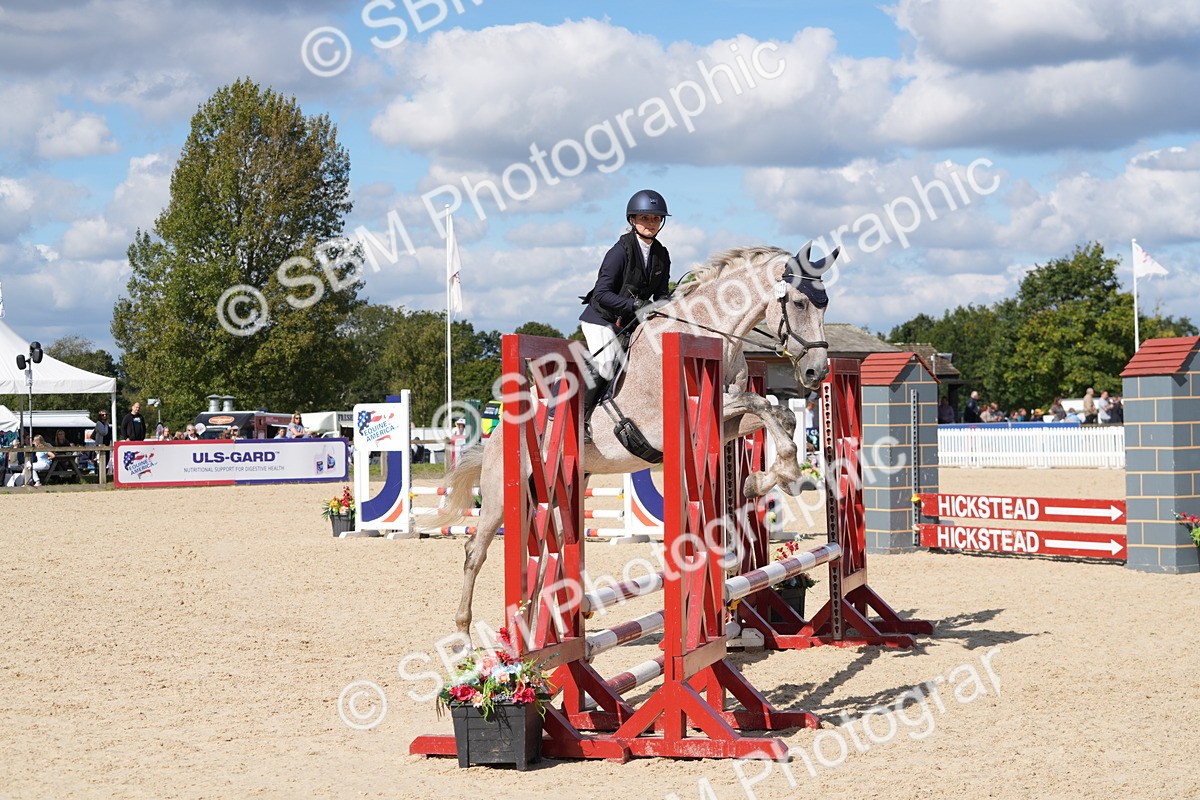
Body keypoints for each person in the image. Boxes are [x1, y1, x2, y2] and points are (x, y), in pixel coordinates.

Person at [578, 189, 673, 418]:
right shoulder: (619, 252)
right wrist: (634, 306)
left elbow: (661, 295)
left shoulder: (662, 254)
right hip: (601, 320)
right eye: (645, 218)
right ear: (633, 220)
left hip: (628, 326)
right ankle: (581, 418)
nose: (651, 223)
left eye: (655, 218)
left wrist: (672, 306)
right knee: (606, 362)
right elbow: (601, 294)